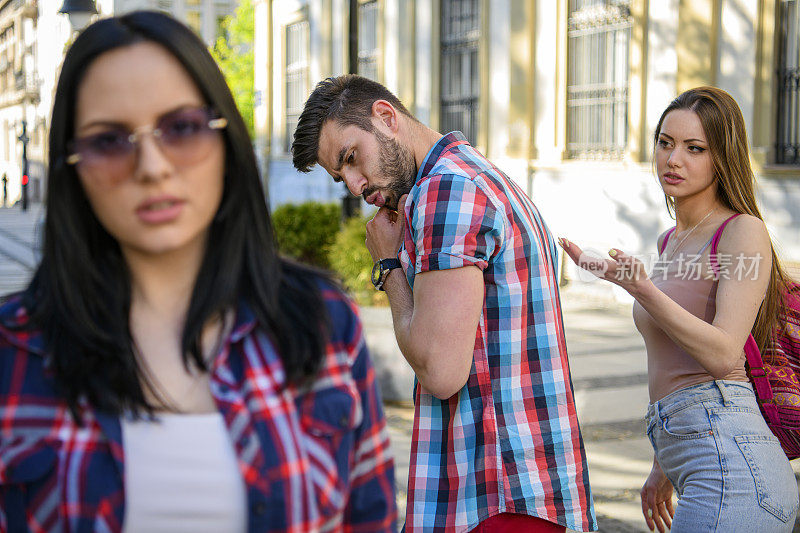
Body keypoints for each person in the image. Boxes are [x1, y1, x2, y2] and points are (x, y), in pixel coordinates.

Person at [0, 12, 396, 532]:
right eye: (109, 140)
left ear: (224, 142)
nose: (153, 166)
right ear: (73, 166)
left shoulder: (321, 324)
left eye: (182, 128)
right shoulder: (13, 353)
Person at [292, 75, 596, 533]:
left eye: (352, 158)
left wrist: (389, 267)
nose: (355, 186)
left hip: (496, 492)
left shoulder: (446, 191)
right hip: (528, 484)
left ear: (386, 117)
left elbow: (440, 370)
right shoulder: (479, 173)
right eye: (342, 177)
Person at [561, 86, 799, 532]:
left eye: (695, 149)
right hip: (698, 459)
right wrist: (661, 468)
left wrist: (643, 290)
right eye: (666, 143)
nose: (673, 159)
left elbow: (723, 356)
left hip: (737, 472)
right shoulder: (669, 241)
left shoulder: (741, 231)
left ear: (722, 157)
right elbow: (673, 364)